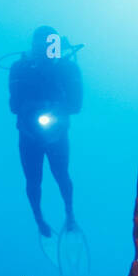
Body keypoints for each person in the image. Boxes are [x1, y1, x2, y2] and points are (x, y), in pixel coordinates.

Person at [8, 25, 82, 237]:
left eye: (49, 45)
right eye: (41, 45)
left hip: (57, 133)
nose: (45, 50)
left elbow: (76, 105)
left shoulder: (68, 69)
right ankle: (39, 219)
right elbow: (13, 105)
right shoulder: (19, 68)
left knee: (61, 175)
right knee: (33, 180)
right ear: (34, 46)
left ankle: (69, 214)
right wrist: (30, 108)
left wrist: (56, 107)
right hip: (28, 133)